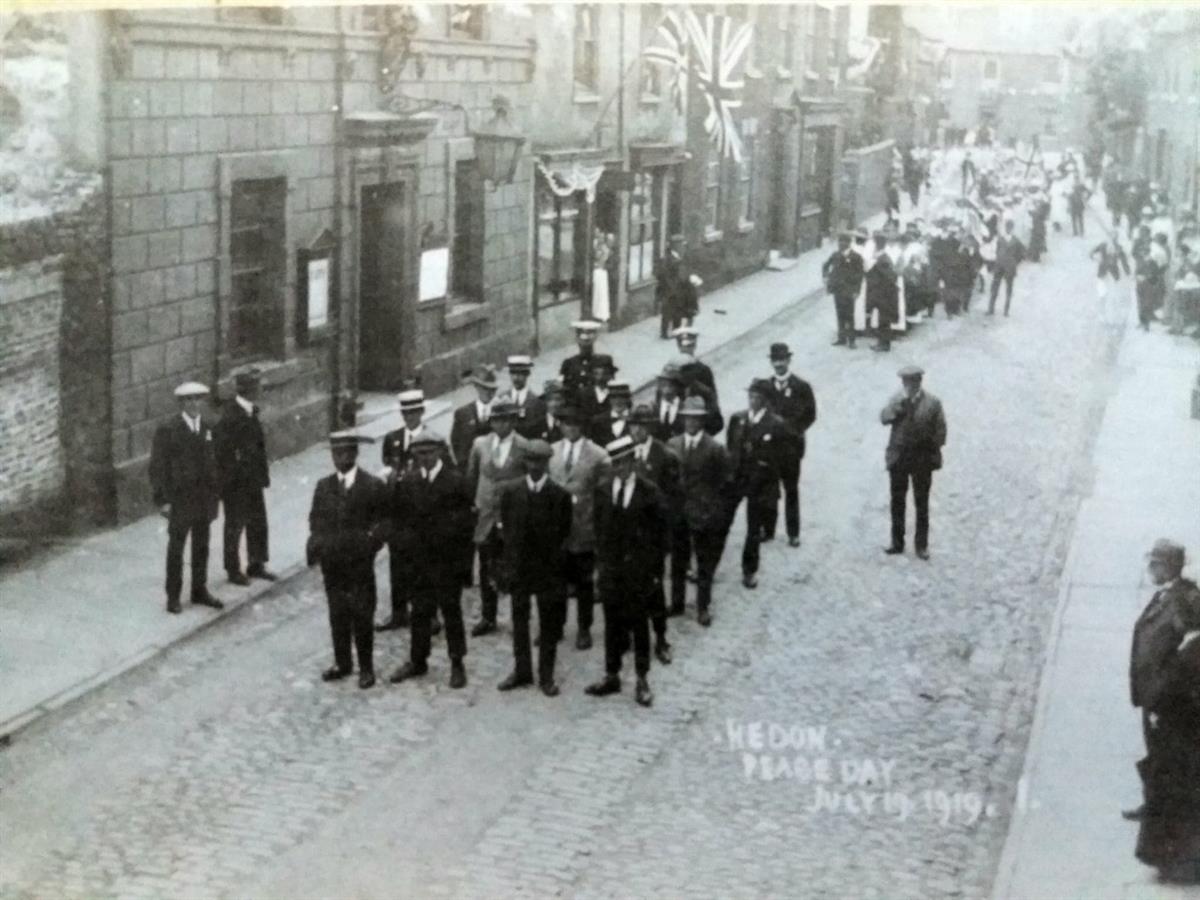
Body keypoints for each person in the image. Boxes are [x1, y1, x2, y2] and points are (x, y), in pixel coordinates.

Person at [1127, 539, 1200, 883]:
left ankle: (1172, 854)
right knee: (1158, 763)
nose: (1150, 569)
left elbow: (1188, 652)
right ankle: (1150, 806)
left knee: (1169, 772)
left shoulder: (1185, 601)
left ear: (1169, 566)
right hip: (1157, 697)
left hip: (1171, 703)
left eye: (1155, 564)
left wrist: (1164, 696)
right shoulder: (1168, 595)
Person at [386, 433, 473, 691]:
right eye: (420, 454)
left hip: (446, 561)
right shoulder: (409, 482)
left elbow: (467, 524)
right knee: (420, 612)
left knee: (451, 611)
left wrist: (462, 565)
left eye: (430, 453)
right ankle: (418, 659)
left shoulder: (456, 481)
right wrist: (406, 551)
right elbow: (399, 520)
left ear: (440, 453)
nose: (425, 458)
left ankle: (457, 662)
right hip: (419, 561)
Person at [585, 436, 667, 708]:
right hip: (612, 569)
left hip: (639, 571)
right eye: (615, 463)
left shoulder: (649, 492)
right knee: (612, 623)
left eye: (624, 462)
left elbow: (660, 538)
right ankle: (612, 674)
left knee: (639, 624)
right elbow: (598, 529)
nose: (620, 468)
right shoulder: (603, 490)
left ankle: (642, 678)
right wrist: (601, 566)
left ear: (633, 461)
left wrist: (655, 572)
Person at [305, 431, 390, 689]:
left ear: (355, 454)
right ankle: (343, 662)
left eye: (345, 453)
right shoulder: (324, 486)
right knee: (338, 613)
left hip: (359, 563)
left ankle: (366, 667)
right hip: (333, 563)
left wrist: (370, 545)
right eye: (335, 453)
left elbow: (384, 522)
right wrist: (319, 544)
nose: (339, 458)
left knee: (362, 613)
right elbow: (315, 520)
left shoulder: (372, 485)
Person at [496, 439, 573, 696]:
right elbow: (507, 531)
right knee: (519, 621)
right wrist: (507, 566)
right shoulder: (511, 492)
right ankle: (522, 670)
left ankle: (547, 675)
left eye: (540, 461)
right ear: (525, 463)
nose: (535, 466)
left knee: (548, 624)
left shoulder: (559, 496)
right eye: (531, 461)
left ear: (547, 463)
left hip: (547, 570)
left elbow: (564, 533)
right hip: (519, 568)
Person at [378, 388, 450, 632]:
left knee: (426, 564)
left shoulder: (434, 439)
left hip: (424, 511)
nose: (409, 417)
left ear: (422, 412)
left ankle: (430, 615)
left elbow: (445, 473)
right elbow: (389, 466)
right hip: (399, 511)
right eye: (405, 413)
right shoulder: (392, 438)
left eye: (414, 412)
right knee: (397, 563)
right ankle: (399, 612)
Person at [149, 381, 223, 614]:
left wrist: (216, 491)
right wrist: (163, 500)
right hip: (181, 499)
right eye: (188, 400)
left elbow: (217, 461)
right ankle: (173, 596)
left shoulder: (209, 427)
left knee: (201, 546)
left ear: (202, 402)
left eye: (197, 399)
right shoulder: (169, 429)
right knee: (176, 549)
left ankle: (199, 590)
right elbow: (157, 467)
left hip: (204, 498)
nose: (193, 404)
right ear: (181, 403)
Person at [548, 405, 611, 650]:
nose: (570, 428)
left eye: (575, 424)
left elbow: (603, 495)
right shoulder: (552, 452)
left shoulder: (598, 455)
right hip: (556, 531)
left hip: (583, 527)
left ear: (582, 426)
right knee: (556, 582)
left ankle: (584, 627)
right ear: (560, 426)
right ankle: (556, 625)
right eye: (566, 423)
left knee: (584, 582)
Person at [465, 399, 529, 637]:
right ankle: (488, 616)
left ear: (513, 421)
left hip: (511, 517)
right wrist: (473, 506)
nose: (501, 425)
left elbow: (527, 481)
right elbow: (471, 478)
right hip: (486, 516)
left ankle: (519, 617)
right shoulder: (480, 445)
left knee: (515, 566)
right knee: (486, 567)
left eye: (506, 420)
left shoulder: (524, 446)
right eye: (496, 420)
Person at [667, 397, 732, 626]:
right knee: (678, 560)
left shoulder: (715, 448)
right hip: (678, 512)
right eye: (688, 418)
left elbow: (726, 483)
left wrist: (714, 509)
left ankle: (703, 606)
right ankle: (677, 603)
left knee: (704, 563)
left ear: (702, 420)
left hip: (704, 513)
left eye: (696, 418)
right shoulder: (672, 445)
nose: (691, 422)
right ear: (683, 419)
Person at [628, 403, 682, 662]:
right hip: (627, 533)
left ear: (649, 427)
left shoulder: (665, 456)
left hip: (651, 535)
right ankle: (629, 634)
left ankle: (660, 638)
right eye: (632, 425)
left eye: (641, 425)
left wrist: (664, 539)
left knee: (654, 587)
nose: (636, 430)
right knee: (626, 586)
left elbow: (672, 502)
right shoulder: (622, 452)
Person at [214, 367, 275, 587]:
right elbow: (222, 452)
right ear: (248, 389)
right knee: (235, 524)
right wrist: (231, 479)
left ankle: (256, 564)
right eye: (258, 386)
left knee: (258, 521)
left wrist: (261, 476)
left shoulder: (250, 411)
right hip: (237, 483)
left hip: (253, 479)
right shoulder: (231, 416)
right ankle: (233, 569)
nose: (261, 389)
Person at [881, 366, 947, 560]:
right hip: (899, 458)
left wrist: (927, 447)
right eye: (906, 382)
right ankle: (897, 542)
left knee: (921, 504)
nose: (909, 385)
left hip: (922, 460)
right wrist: (896, 408)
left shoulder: (933, 403)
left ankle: (921, 545)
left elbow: (941, 432)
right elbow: (883, 418)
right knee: (897, 502)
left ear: (920, 382)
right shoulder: (897, 399)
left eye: (913, 382)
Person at [727, 379, 787, 589]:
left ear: (766, 400)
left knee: (753, 529)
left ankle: (749, 570)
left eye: (757, 397)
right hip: (737, 479)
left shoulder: (776, 424)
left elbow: (781, 457)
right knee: (721, 522)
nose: (752, 400)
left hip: (760, 483)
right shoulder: (738, 419)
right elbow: (731, 448)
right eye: (750, 396)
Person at [763, 343, 816, 547]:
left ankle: (793, 532)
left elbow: (810, 414)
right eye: (775, 360)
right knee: (769, 489)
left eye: (782, 360)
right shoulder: (765, 387)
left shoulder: (801, 387)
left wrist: (793, 430)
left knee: (791, 489)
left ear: (788, 360)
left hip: (791, 448)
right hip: (770, 447)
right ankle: (768, 530)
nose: (778, 364)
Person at [450, 364, 497, 472]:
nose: (489, 393)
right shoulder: (463, 413)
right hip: (470, 471)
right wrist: (463, 466)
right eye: (485, 388)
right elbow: (456, 442)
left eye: (492, 389)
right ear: (477, 387)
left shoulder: (500, 411)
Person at [823, 230, 866, 347]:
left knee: (849, 315)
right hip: (837, 289)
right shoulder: (835, 255)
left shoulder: (856, 257)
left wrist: (857, 291)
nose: (841, 244)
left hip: (849, 290)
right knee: (839, 313)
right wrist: (826, 278)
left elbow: (860, 275)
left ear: (849, 243)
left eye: (844, 242)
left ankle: (851, 340)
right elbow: (825, 265)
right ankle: (841, 338)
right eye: (839, 241)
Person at [656, 234, 699, 338]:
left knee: (678, 312)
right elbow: (663, 275)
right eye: (681, 245)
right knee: (667, 312)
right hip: (669, 291)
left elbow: (683, 272)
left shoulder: (680, 257)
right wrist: (672, 288)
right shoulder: (667, 259)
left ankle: (676, 330)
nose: (683, 247)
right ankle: (664, 333)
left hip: (680, 290)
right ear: (676, 246)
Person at [865, 232, 900, 352]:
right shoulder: (883, 258)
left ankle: (884, 344)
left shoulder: (882, 260)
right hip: (883, 295)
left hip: (884, 296)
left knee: (884, 320)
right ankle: (883, 343)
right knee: (882, 320)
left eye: (874, 245)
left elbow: (890, 277)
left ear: (877, 246)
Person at [559, 320, 603, 407]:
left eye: (588, 343)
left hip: (598, 410)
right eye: (582, 342)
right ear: (577, 339)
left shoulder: (603, 361)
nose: (585, 346)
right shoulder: (569, 364)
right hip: (576, 411)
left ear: (594, 339)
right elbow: (564, 390)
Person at [1092, 233, 1131, 328]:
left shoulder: (1116, 248)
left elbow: (1124, 261)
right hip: (1104, 273)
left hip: (1111, 274)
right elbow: (1091, 254)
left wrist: (1128, 272)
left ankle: (1109, 318)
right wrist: (1097, 260)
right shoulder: (1104, 246)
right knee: (1103, 295)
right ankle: (1103, 317)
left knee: (1110, 296)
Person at [504, 355, 546, 440]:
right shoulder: (502, 399)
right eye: (513, 373)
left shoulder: (537, 401)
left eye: (520, 374)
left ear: (527, 374)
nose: (516, 378)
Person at [988, 220, 1025, 316]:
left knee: (1009, 289)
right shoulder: (1000, 239)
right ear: (1005, 228)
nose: (1008, 229)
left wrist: (1015, 262)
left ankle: (1006, 311)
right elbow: (996, 251)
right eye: (1007, 227)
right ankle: (991, 309)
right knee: (994, 288)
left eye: (1010, 227)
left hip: (1010, 267)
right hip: (999, 266)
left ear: (1012, 228)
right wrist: (997, 260)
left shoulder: (1016, 241)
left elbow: (1022, 254)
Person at [590, 379, 632, 446]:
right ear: (609, 399)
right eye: (614, 397)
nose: (618, 401)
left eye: (622, 397)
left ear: (628, 399)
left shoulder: (637, 418)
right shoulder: (598, 421)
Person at [652, 363, 686, 443]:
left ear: (677, 387)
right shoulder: (653, 408)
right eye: (663, 385)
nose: (667, 389)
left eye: (670, 385)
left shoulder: (685, 408)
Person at [580, 353, 618, 423]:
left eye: (606, 372)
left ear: (611, 374)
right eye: (596, 372)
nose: (601, 375)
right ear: (591, 374)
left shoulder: (617, 394)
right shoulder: (583, 394)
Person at [591, 229, 612, 323]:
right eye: (598, 235)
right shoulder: (595, 245)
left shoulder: (604, 249)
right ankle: (595, 312)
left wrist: (597, 264)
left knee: (600, 293)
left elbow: (601, 260)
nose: (599, 238)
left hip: (600, 272)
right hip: (596, 271)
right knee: (596, 294)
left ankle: (600, 314)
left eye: (601, 236)